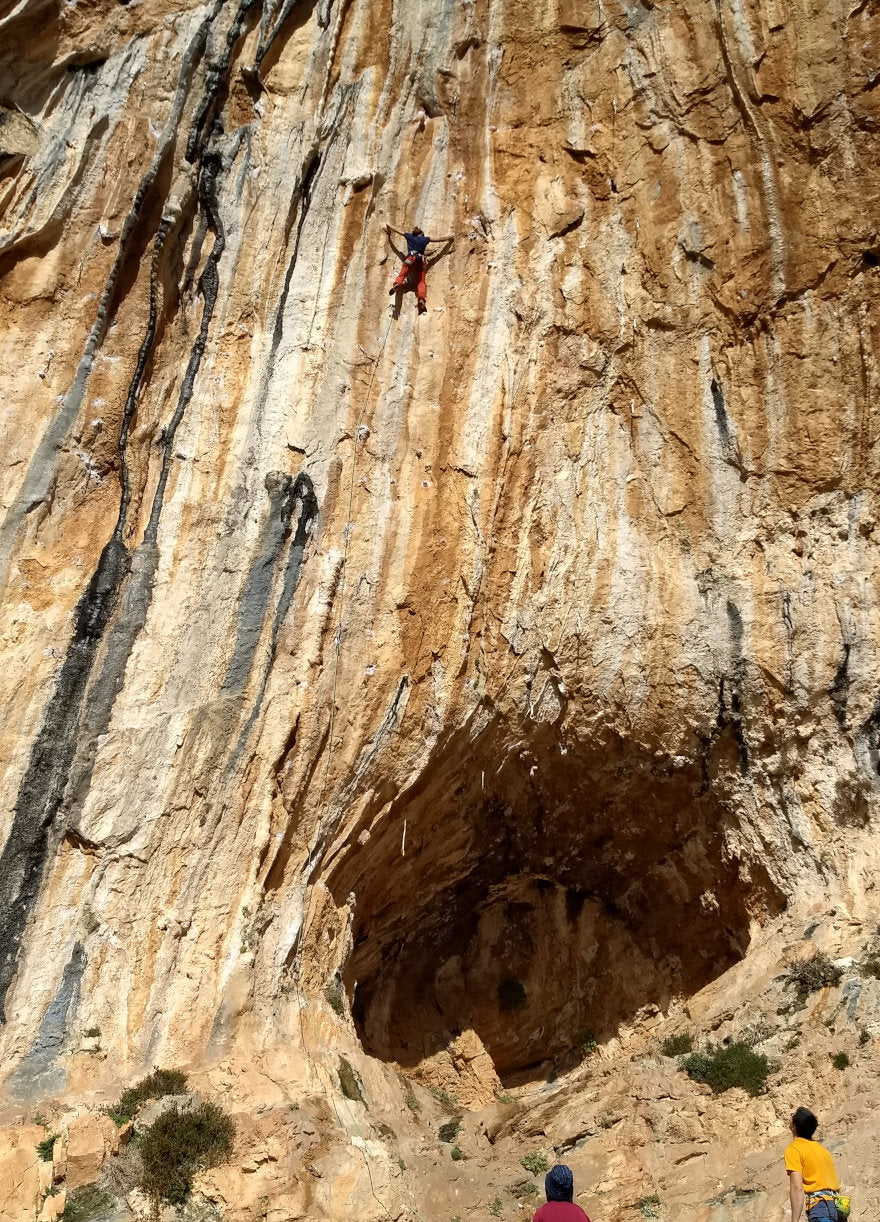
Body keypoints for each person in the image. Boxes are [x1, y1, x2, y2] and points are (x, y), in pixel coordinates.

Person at [784, 1107, 841, 1222]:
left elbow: (797, 1188)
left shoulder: (794, 1149)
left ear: (794, 1126)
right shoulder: (823, 1150)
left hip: (820, 1207)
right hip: (838, 1208)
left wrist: (794, 1220)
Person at [385, 222, 453, 313]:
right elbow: (438, 239)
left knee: (402, 274)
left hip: (411, 258)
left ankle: (397, 284)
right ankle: (421, 299)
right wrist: (449, 238)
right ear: (421, 234)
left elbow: (398, 231)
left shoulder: (409, 237)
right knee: (421, 281)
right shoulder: (425, 239)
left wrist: (389, 225)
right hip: (421, 260)